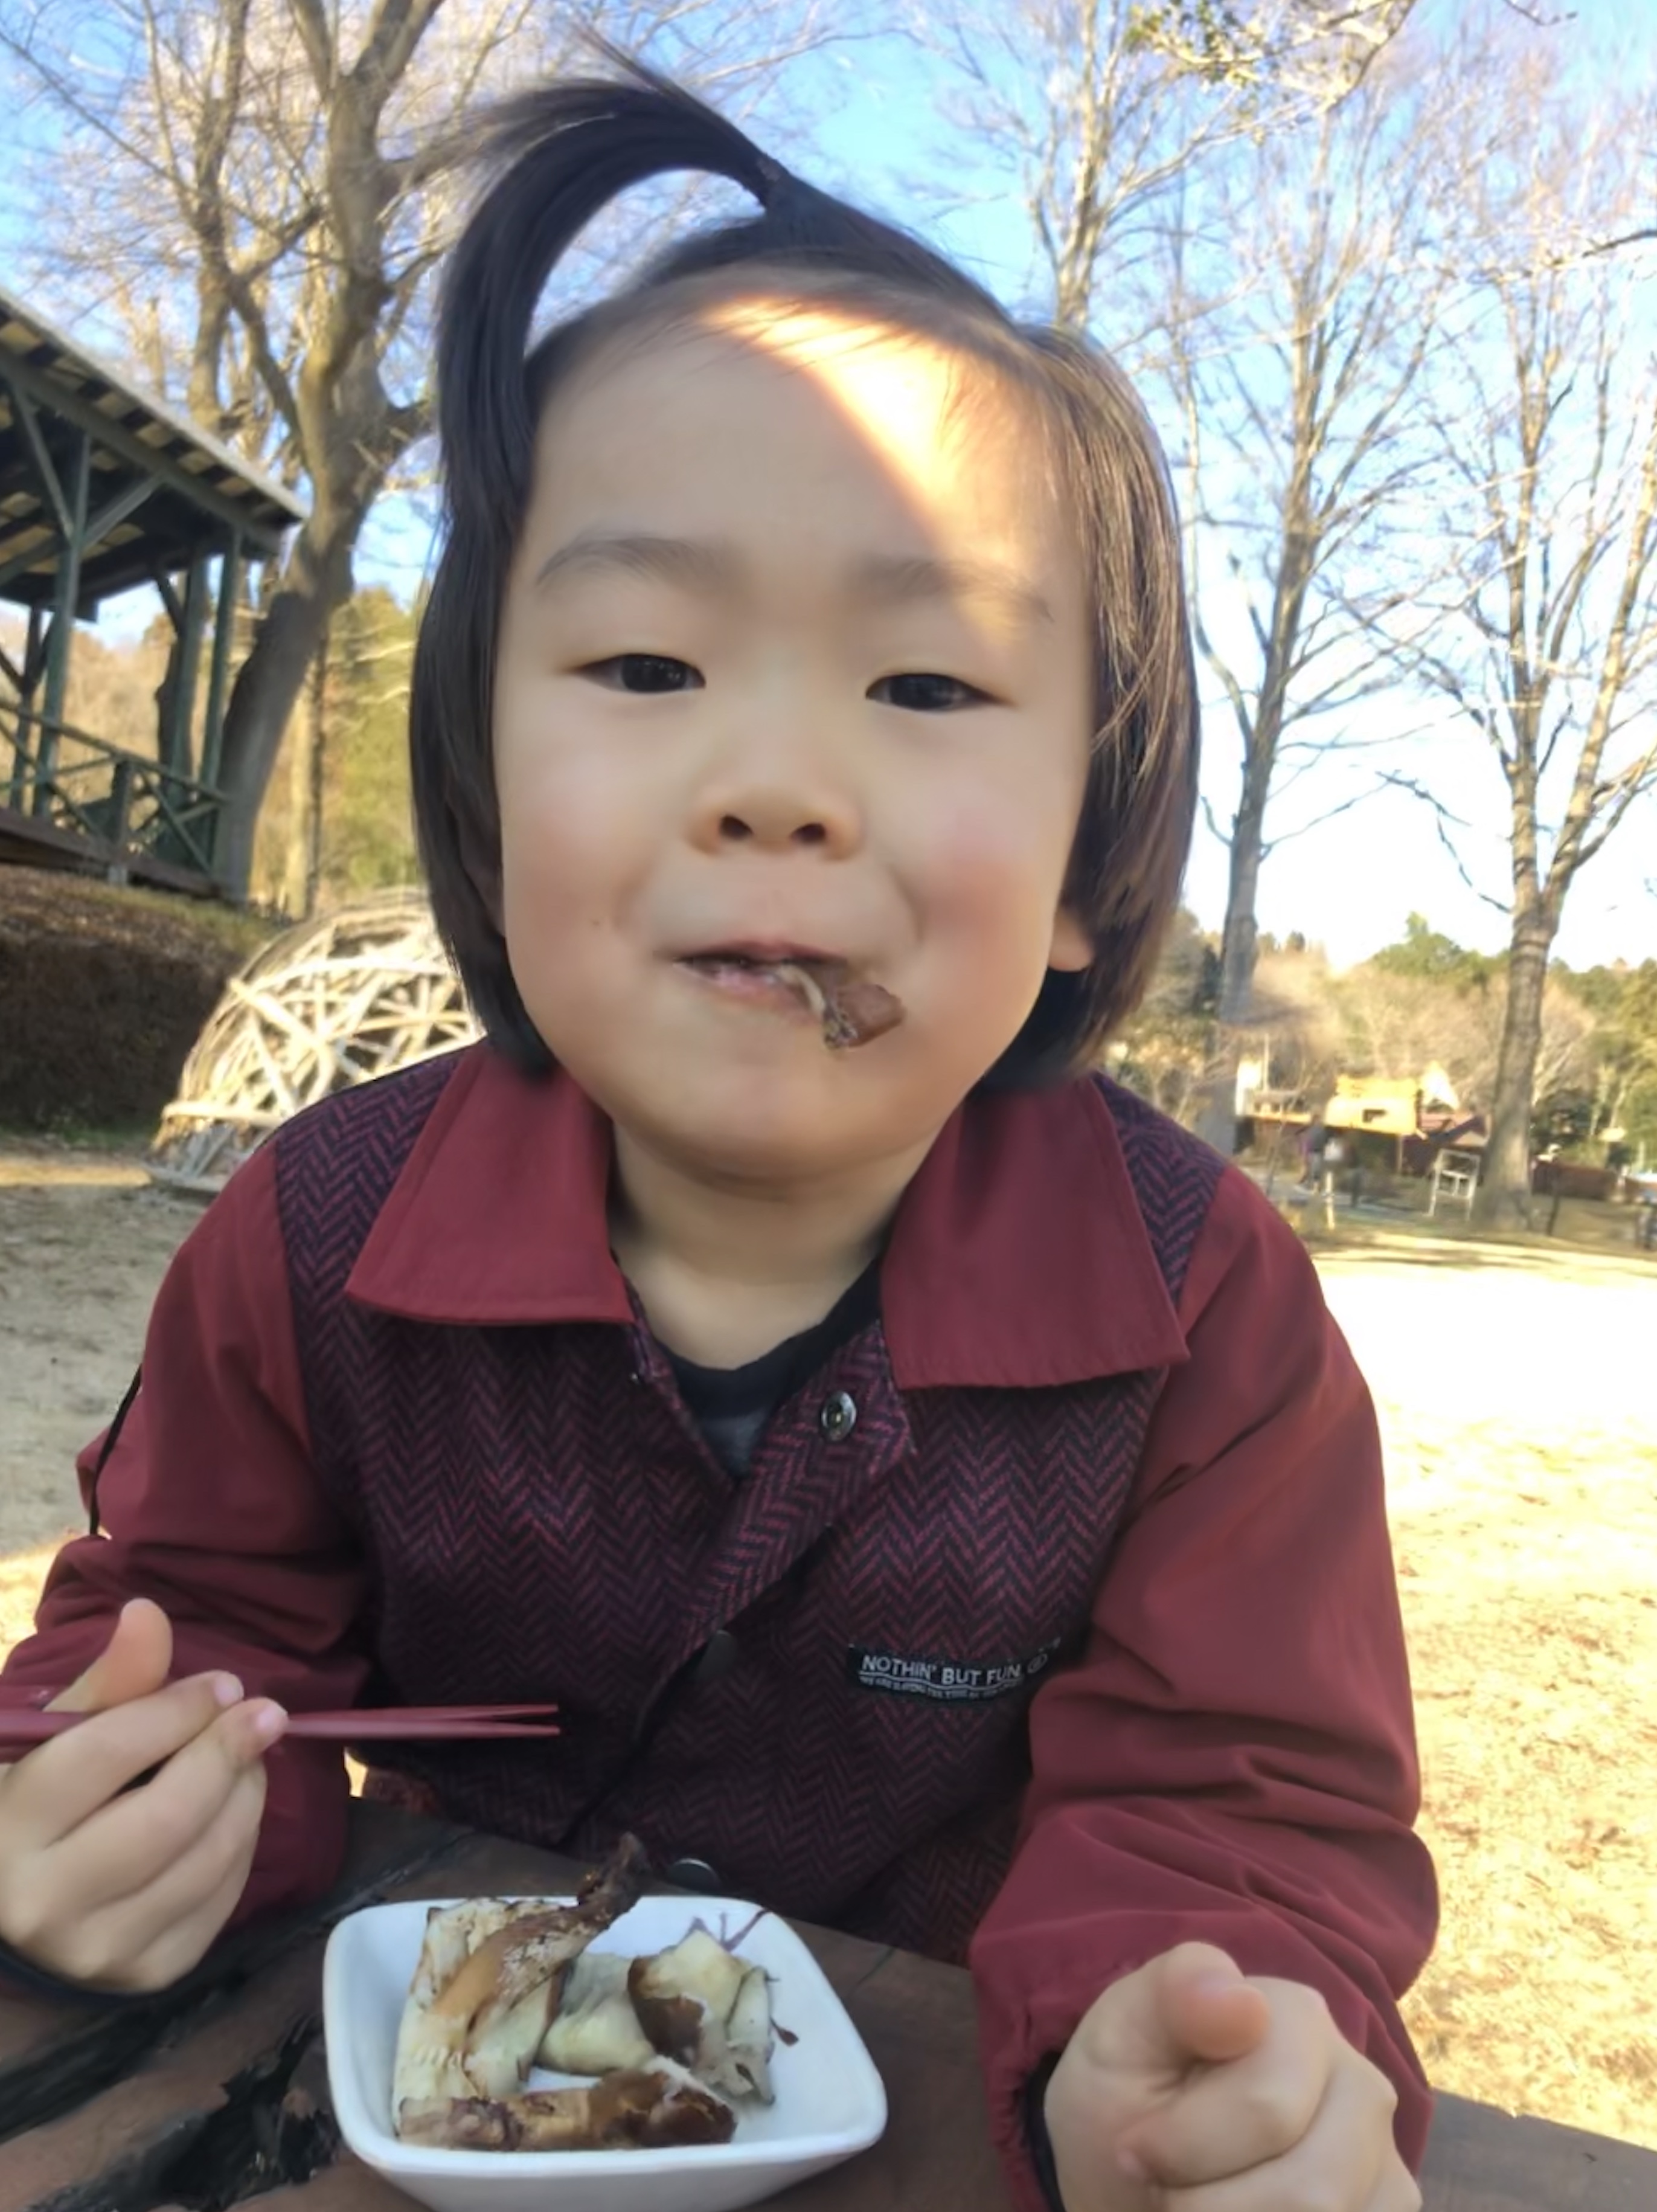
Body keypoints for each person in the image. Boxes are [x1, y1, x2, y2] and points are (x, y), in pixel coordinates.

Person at [0, 59, 1434, 2212]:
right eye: (648, 664)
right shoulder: (315, 1237)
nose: (775, 785)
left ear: (1086, 857)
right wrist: (108, 1800)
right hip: (403, 2107)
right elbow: (193, 1619)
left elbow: (1243, 1802)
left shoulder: (1202, 1306)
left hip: (925, 2126)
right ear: (485, 798)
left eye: (925, 688)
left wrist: (1182, 2042)